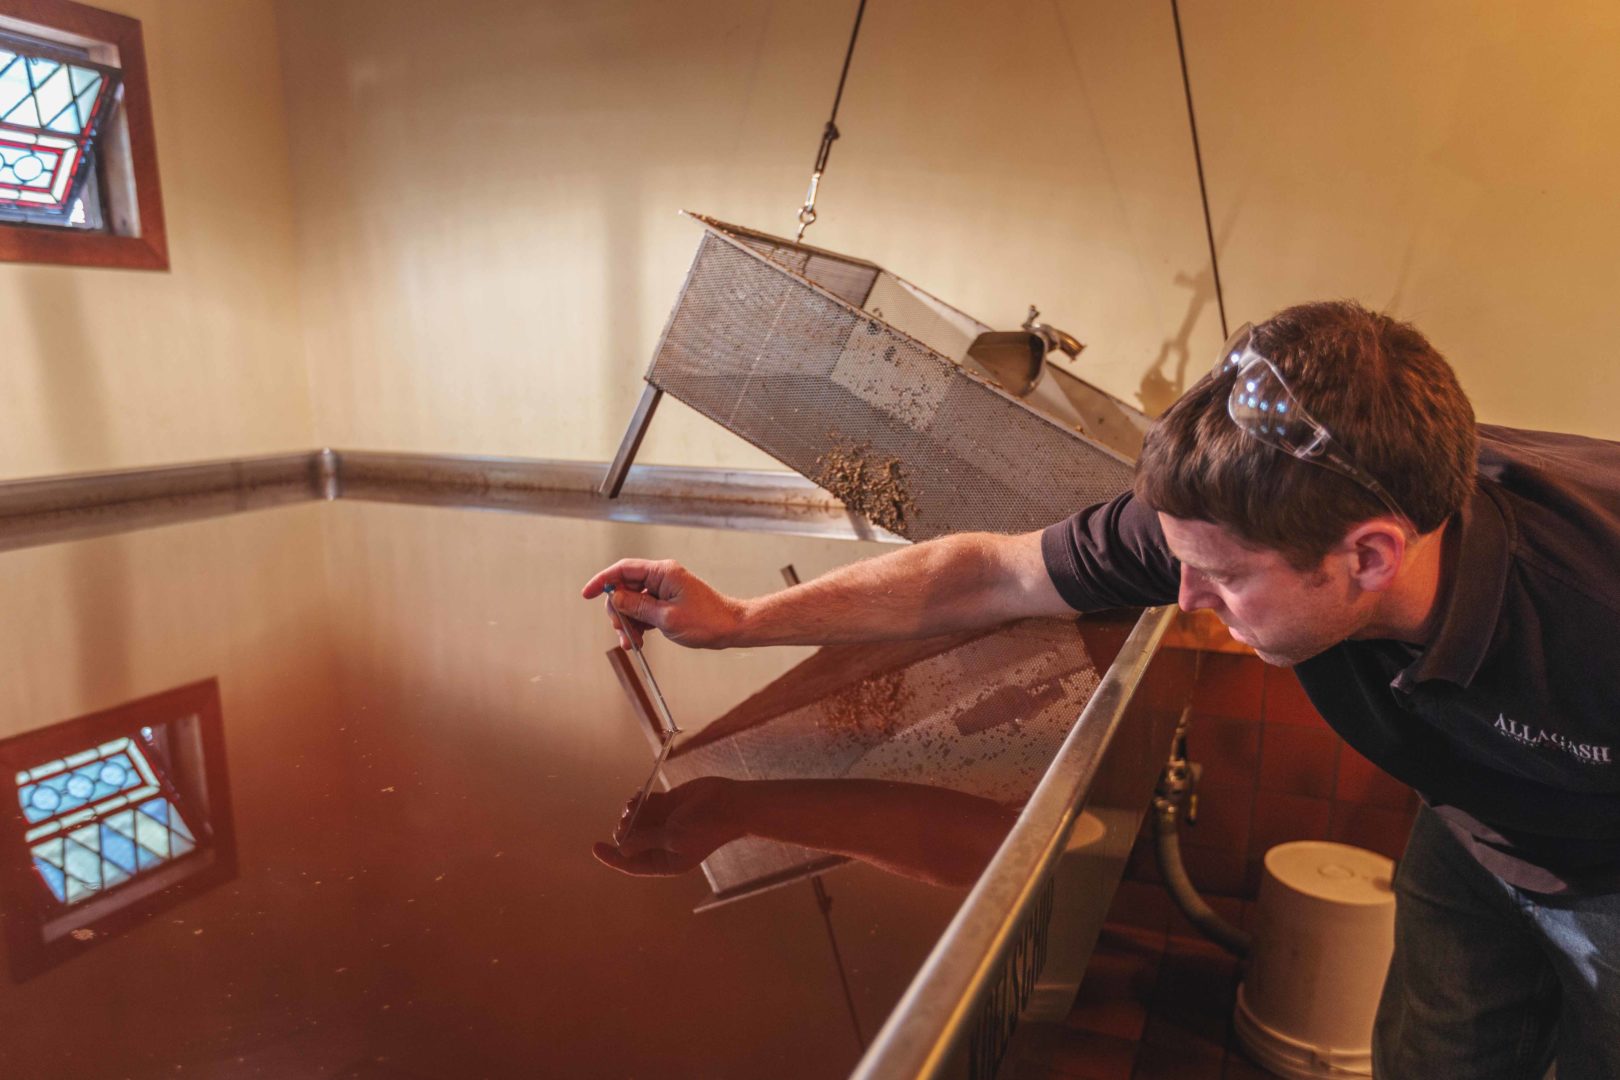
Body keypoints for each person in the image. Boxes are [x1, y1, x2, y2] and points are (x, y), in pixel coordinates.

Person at [582, 300, 1620, 1079]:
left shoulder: (1584, 623)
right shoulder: (1239, 511)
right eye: (1176, 556)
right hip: (1474, 822)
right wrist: (740, 624)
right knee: (1441, 1055)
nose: (1185, 596)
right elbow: (988, 574)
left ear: (1372, 558)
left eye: (1224, 578)